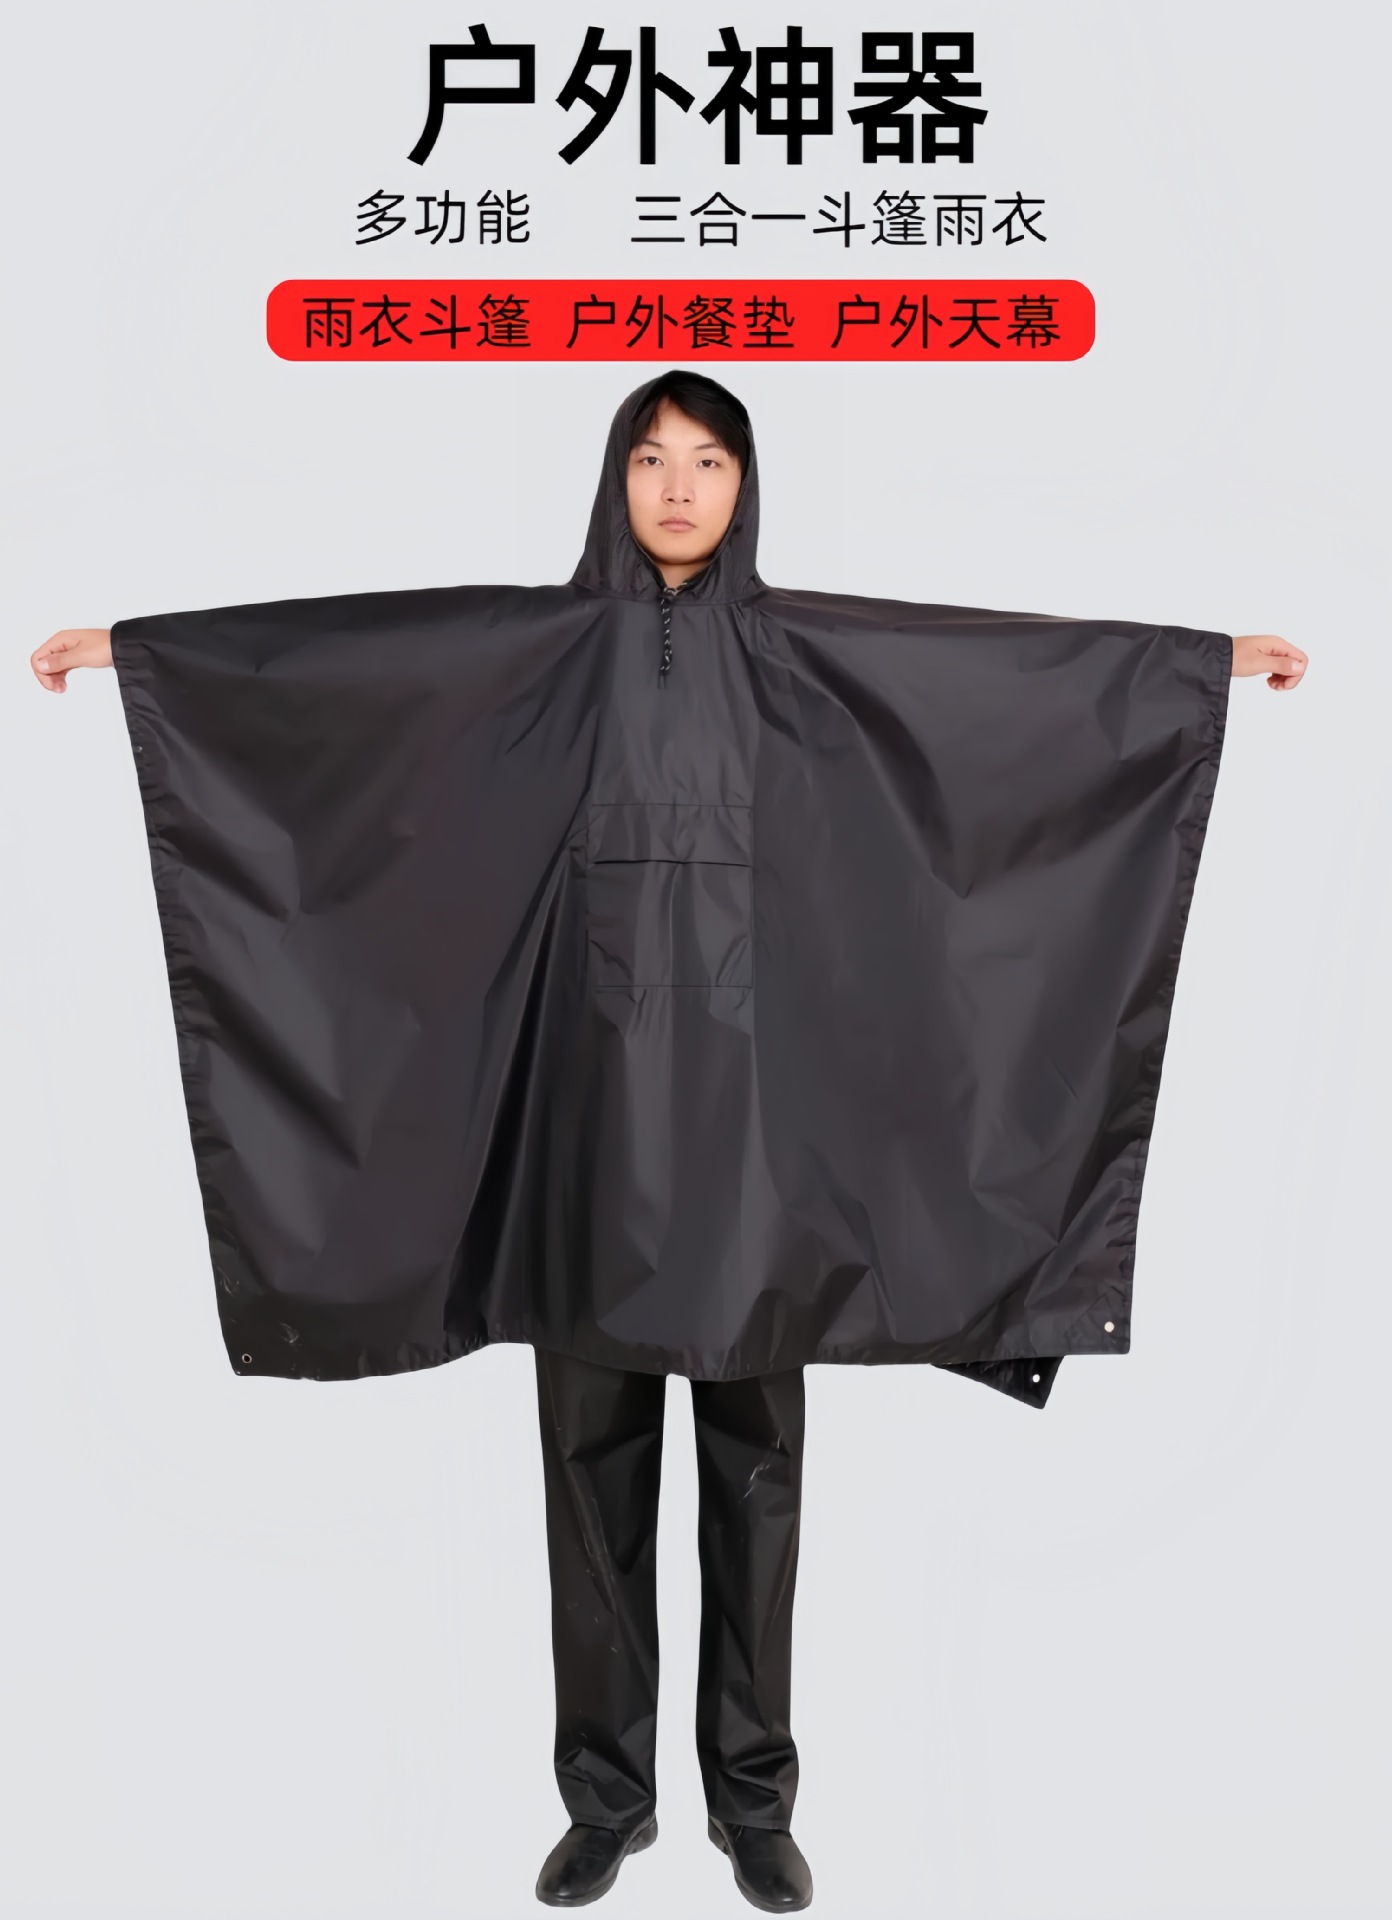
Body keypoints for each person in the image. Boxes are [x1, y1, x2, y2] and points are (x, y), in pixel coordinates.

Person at [30, 371, 1307, 1912]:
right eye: (652, 458)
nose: (681, 487)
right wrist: (152, 660)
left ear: (746, 485)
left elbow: (1000, 685)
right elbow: (357, 667)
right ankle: (607, 1800)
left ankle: (754, 1804)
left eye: (710, 460)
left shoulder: (808, 657)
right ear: (614, 478)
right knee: (591, 1469)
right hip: (588, 1121)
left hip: (763, 1139)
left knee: (758, 1472)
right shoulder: (543, 651)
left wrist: (1192, 671)